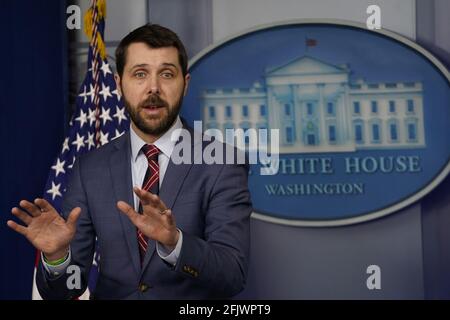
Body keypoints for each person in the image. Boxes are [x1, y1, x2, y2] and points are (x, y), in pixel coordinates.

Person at [7, 24, 252, 300]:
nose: (153, 88)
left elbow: (233, 274)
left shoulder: (223, 162)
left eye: (167, 74)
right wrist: (55, 258)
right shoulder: (89, 168)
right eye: (140, 74)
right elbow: (69, 288)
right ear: (118, 83)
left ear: (185, 84)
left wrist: (175, 243)